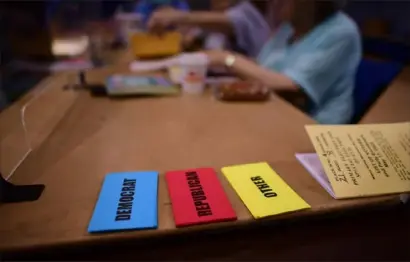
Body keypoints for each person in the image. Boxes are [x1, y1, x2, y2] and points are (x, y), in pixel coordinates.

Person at [148, 0, 361, 124]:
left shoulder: (341, 31)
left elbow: (290, 86)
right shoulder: (288, 28)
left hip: (312, 132)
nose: (274, 3)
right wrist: (217, 64)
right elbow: (261, 68)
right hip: (271, 117)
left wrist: (226, 58)